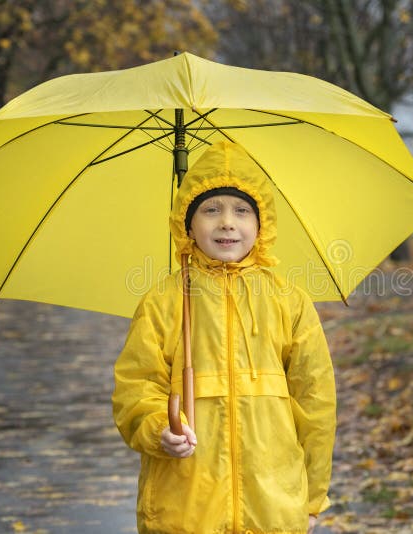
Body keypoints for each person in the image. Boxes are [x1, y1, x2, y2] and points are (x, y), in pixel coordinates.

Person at [112, 140, 336, 534]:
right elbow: (135, 387)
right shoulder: (164, 301)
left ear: (261, 223)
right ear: (187, 224)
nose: (227, 222)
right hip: (185, 503)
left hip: (272, 502)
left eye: (242, 211)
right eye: (210, 210)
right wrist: (158, 430)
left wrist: (312, 497)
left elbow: (316, 403)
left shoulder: (290, 302)